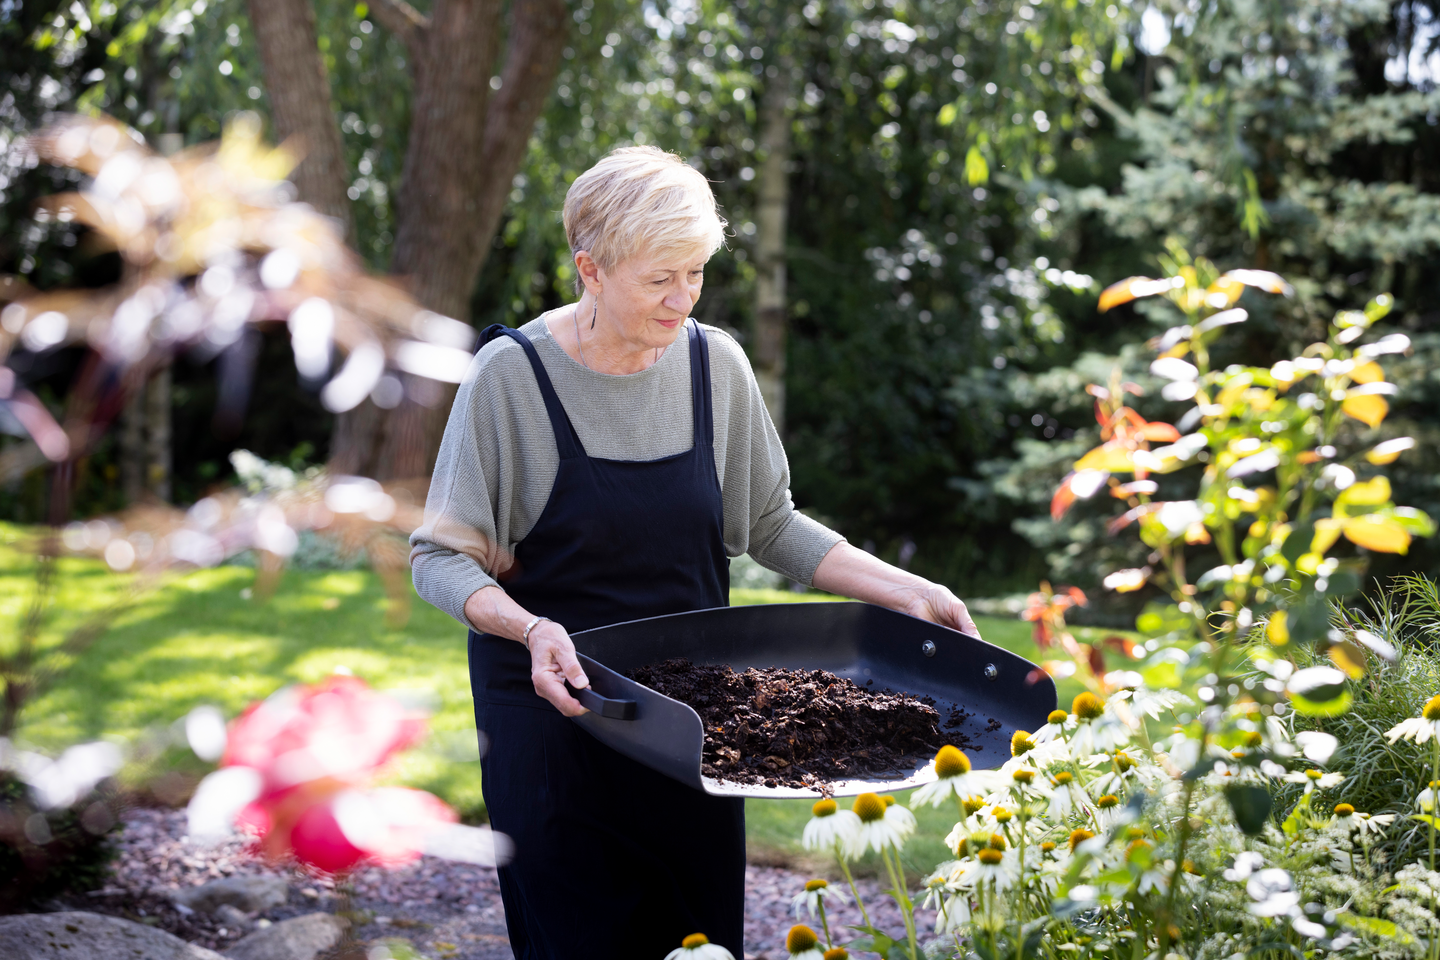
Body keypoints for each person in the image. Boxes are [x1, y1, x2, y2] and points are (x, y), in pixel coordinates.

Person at [409, 145, 978, 960]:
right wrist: (530, 629)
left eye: (696, 274)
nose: (683, 300)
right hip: (555, 724)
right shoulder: (511, 379)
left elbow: (771, 522)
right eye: (658, 279)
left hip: (698, 731)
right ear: (591, 271)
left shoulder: (716, 365)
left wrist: (904, 588)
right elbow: (440, 558)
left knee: (700, 946)